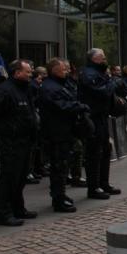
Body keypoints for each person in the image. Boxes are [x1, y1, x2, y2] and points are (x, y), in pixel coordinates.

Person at [0, 59, 40, 226]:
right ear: (17, 73)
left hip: (25, 140)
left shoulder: (25, 89)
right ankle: (3, 213)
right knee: (9, 177)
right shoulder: (4, 91)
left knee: (21, 177)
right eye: (28, 72)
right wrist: (2, 132)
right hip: (10, 140)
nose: (31, 75)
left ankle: (18, 208)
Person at [39, 58, 91, 213]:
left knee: (63, 166)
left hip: (64, 131)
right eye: (64, 69)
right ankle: (58, 199)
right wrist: (79, 107)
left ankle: (61, 195)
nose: (67, 71)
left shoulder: (61, 85)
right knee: (59, 166)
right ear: (54, 70)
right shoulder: (50, 88)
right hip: (56, 133)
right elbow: (60, 106)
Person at [78, 48, 120, 200]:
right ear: (94, 59)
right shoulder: (88, 74)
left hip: (101, 116)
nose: (105, 60)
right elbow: (102, 92)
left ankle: (103, 183)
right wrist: (112, 83)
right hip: (93, 116)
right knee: (94, 153)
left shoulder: (100, 73)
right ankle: (94, 187)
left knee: (105, 149)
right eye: (102, 58)